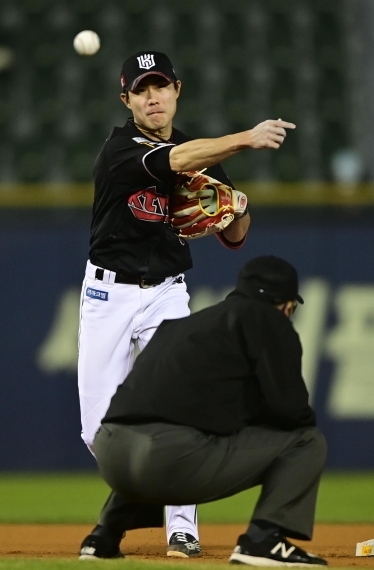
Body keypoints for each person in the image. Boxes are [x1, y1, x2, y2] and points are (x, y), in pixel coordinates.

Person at [78, 50, 296, 558]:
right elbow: (173, 162)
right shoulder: (118, 149)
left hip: (167, 294)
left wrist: (236, 206)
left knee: (182, 407)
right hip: (108, 295)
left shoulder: (202, 153)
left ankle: (182, 529)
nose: (153, 96)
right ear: (126, 99)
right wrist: (247, 137)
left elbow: (235, 234)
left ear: (178, 90)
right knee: (97, 431)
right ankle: (150, 493)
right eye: (141, 89)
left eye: (160, 86)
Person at [79, 256, 328, 566]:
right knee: (307, 441)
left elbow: (142, 398)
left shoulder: (187, 325)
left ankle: (103, 536)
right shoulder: (269, 321)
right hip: (165, 458)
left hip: (112, 455)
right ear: (286, 304)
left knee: (153, 437)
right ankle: (263, 539)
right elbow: (294, 414)